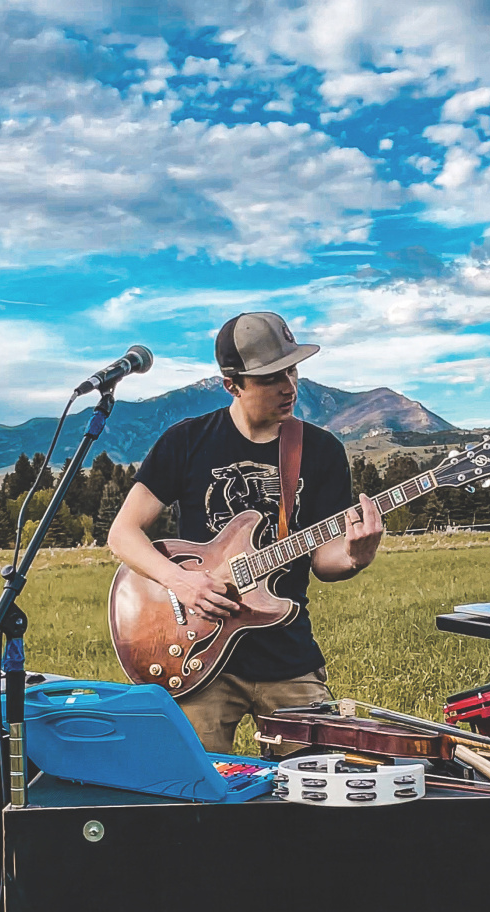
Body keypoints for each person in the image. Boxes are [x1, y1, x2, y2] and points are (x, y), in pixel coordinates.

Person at [107, 311, 384, 752]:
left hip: (287, 656)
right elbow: (123, 533)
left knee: (318, 791)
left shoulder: (321, 451)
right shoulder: (187, 441)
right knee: (193, 796)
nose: (289, 387)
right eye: (271, 377)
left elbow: (323, 561)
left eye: (292, 370)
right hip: (197, 656)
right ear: (231, 384)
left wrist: (354, 556)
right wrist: (183, 581)